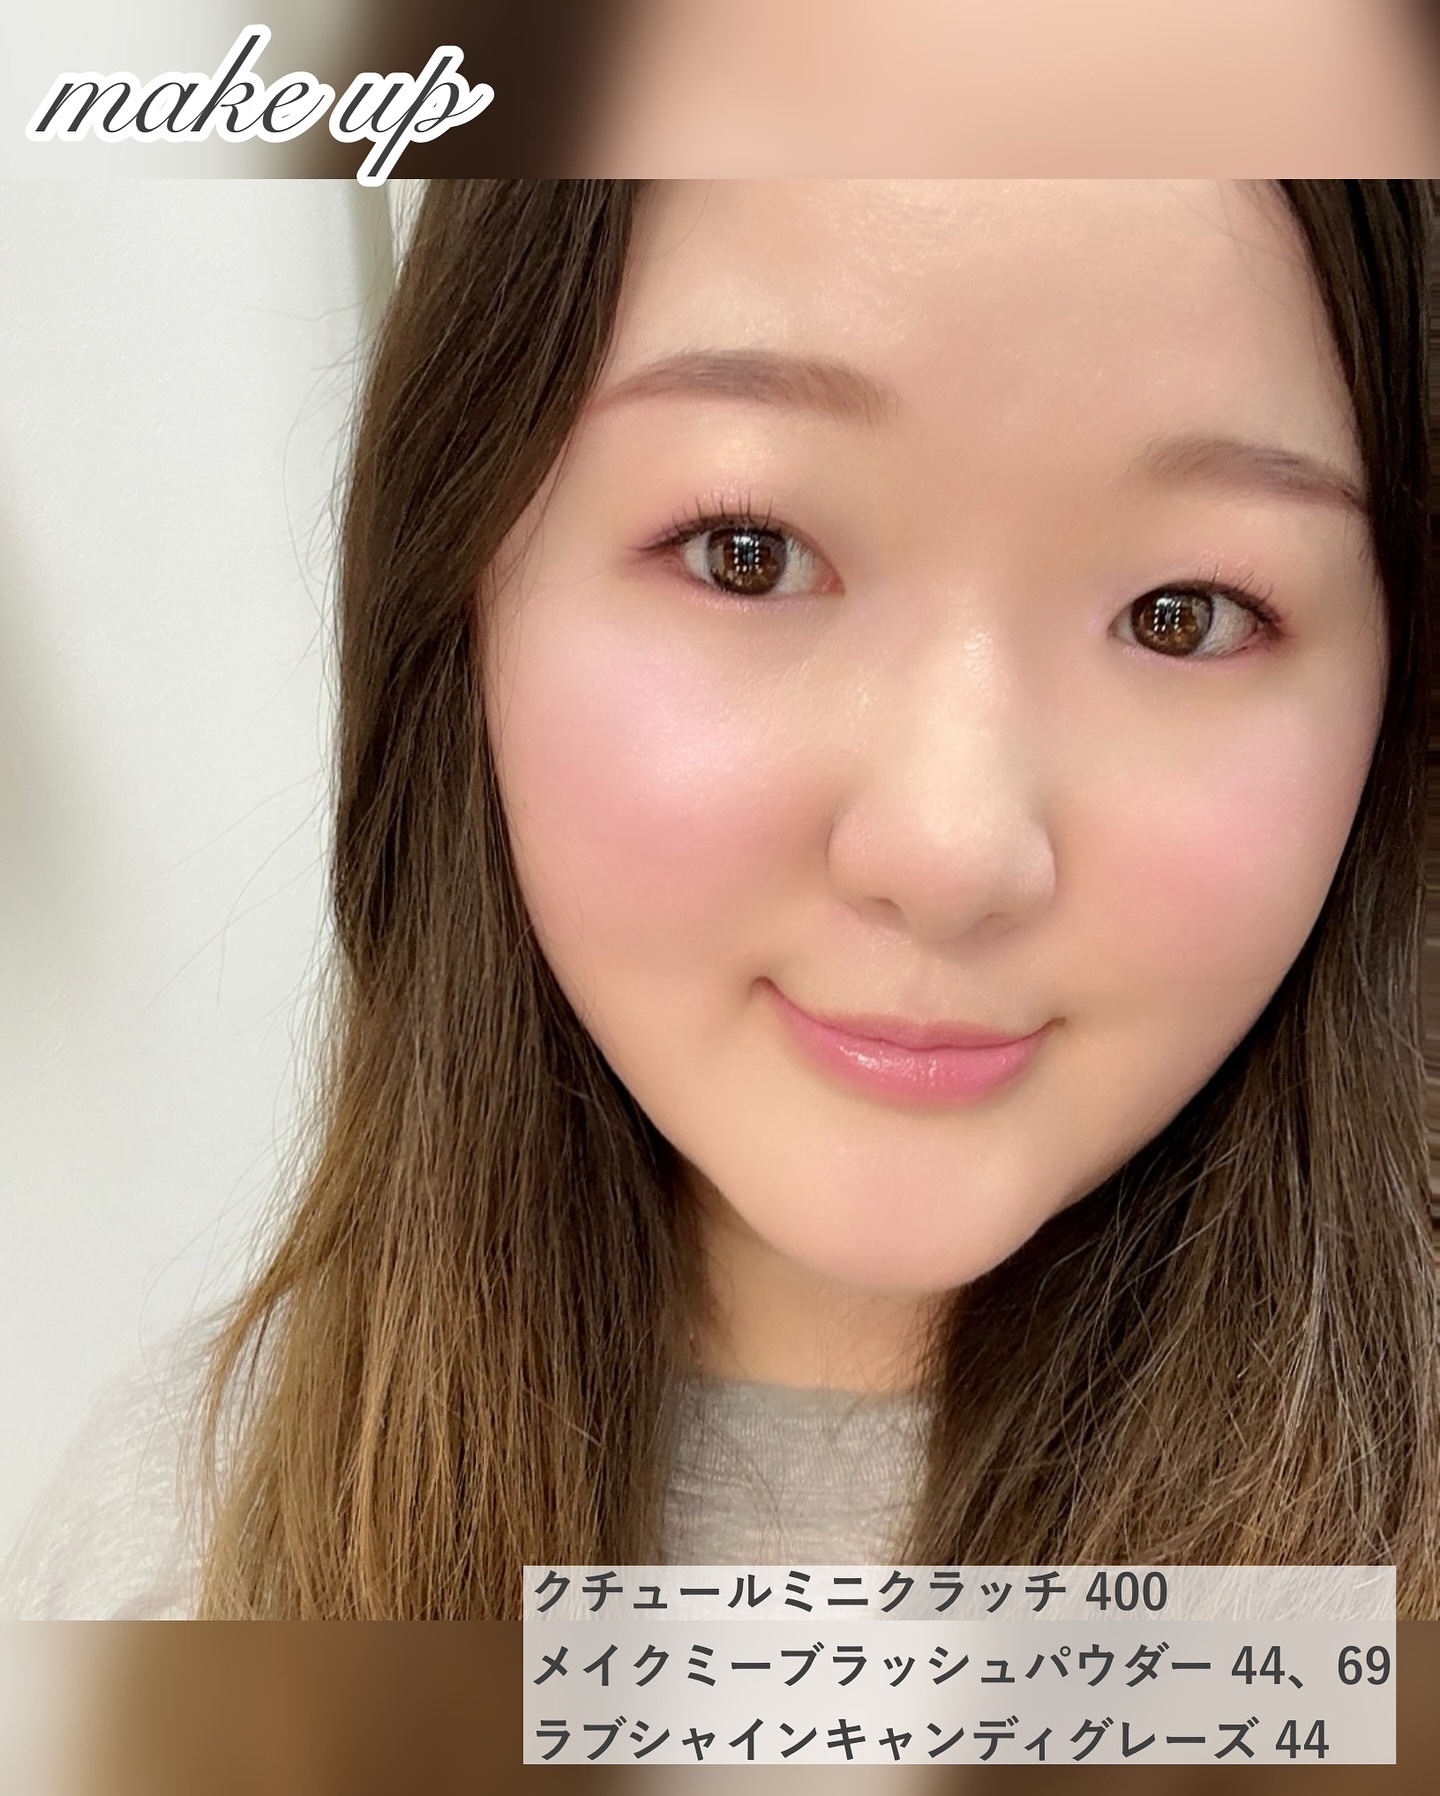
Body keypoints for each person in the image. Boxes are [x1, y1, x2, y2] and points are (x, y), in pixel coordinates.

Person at [3, 179, 1436, 1622]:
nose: (949, 852)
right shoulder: (189, 1551)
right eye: (747, 553)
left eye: (1183, 615)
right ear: (460, 587)